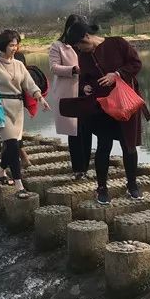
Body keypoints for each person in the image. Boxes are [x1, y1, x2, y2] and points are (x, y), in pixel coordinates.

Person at [66, 21, 150, 204]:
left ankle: (132, 185)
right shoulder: (84, 56)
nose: (80, 49)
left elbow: (136, 63)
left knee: (129, 146)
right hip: (102, 108)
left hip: (125, 103)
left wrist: (117, 74)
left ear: (87, 37)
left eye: (80, 45)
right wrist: (85, 87)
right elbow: (82, 79)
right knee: (104, 145)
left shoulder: (117, 43)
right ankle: (102, 188)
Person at [0, 29, 50, 199]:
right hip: (0, 107)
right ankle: (19, 184)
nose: (15, 48)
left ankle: (0, 172)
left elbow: (30, 84)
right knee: (12, 144)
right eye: (11, 45)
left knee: (13, 144)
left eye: (16, 44)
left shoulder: (19, 65)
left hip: (17, 108)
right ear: (3, 46)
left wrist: (40, 97)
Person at [50, 14, 91, 179]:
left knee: (86, 130)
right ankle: (77, 169)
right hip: (70, 93)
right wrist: (72, 70)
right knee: (74, 132)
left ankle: (86, 167)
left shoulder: (85, 45)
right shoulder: (58, 46)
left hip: (86, 91)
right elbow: (53, 67)